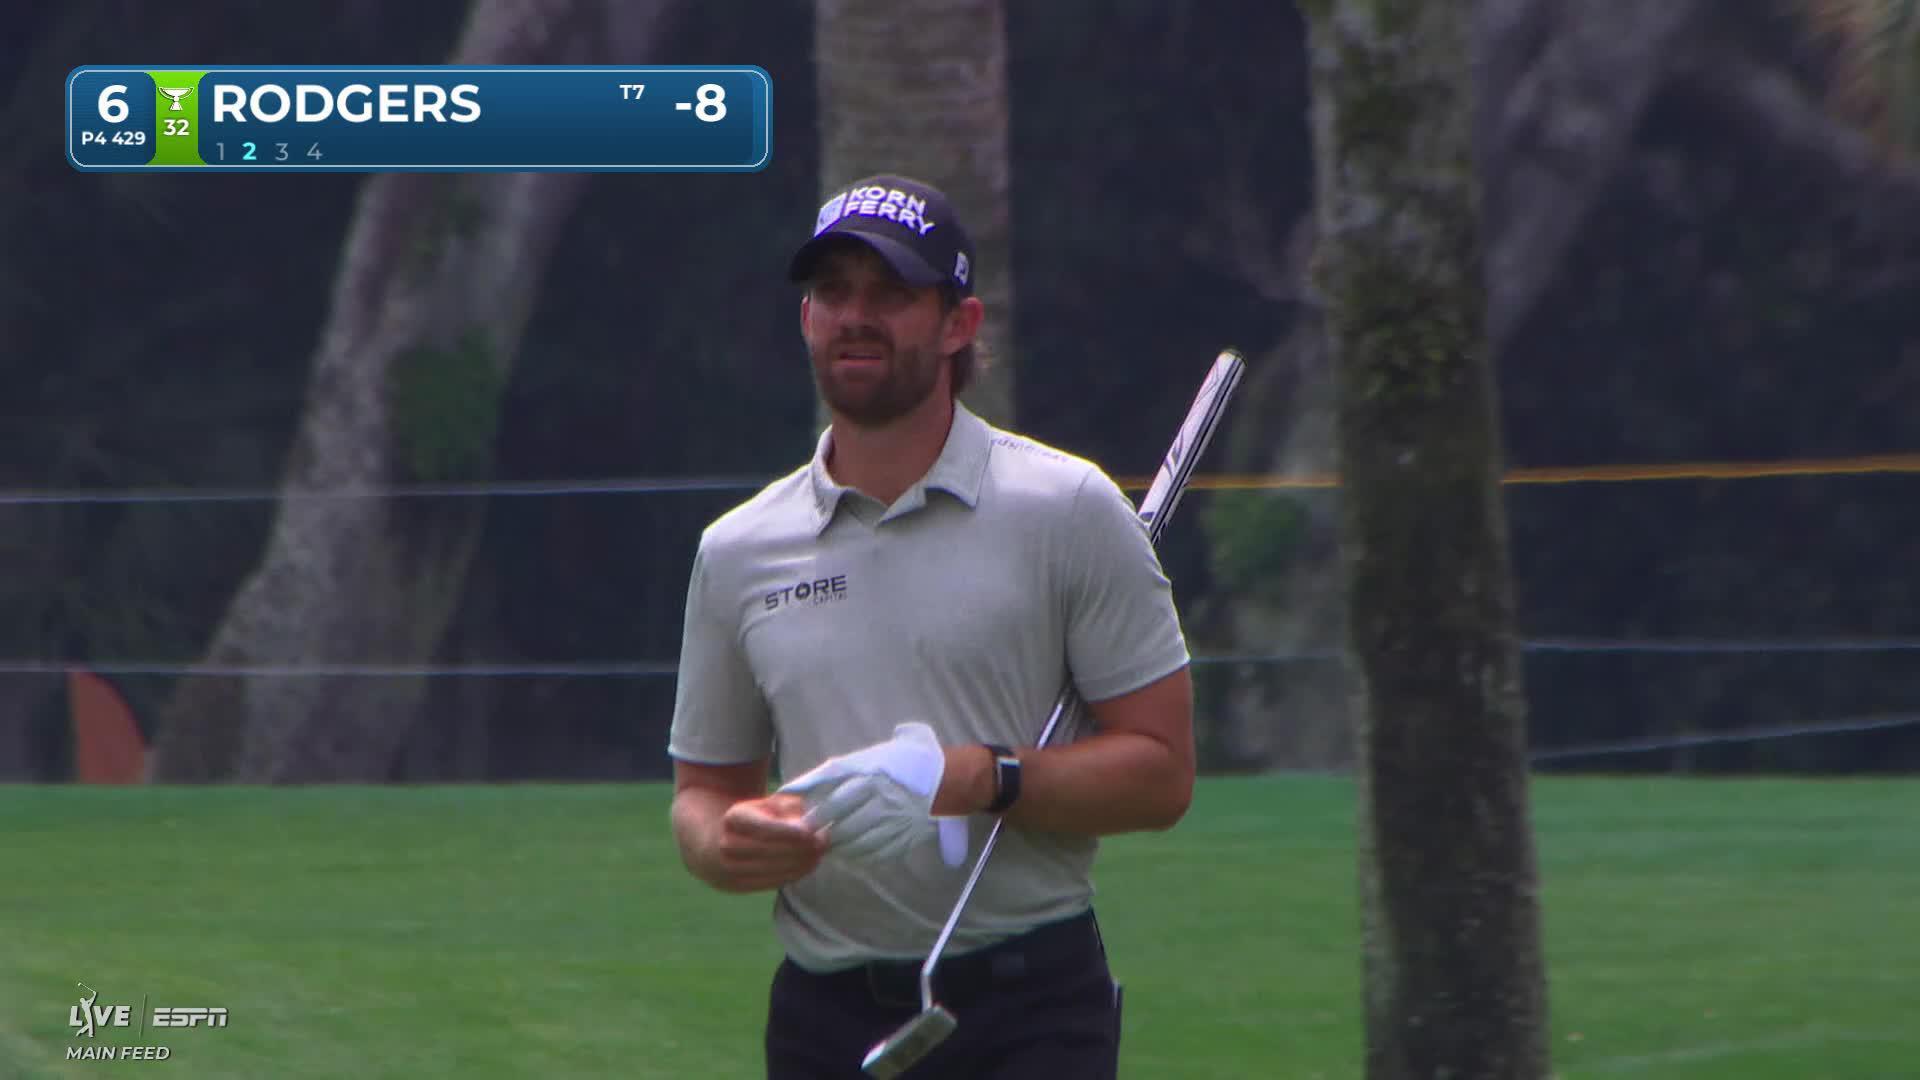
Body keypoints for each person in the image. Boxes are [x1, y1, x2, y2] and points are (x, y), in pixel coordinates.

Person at [666, 172, 1196, 1079]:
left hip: (1030, 1004)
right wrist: (726, 843)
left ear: (959, 323)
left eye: (891, 294)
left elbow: (1161, 775)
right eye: (832, 292)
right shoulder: (738, 549)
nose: (854, 317)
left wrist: (979, 777)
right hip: (826, 1014)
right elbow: (704, 792)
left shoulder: (1066, 507)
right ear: (806, 318)